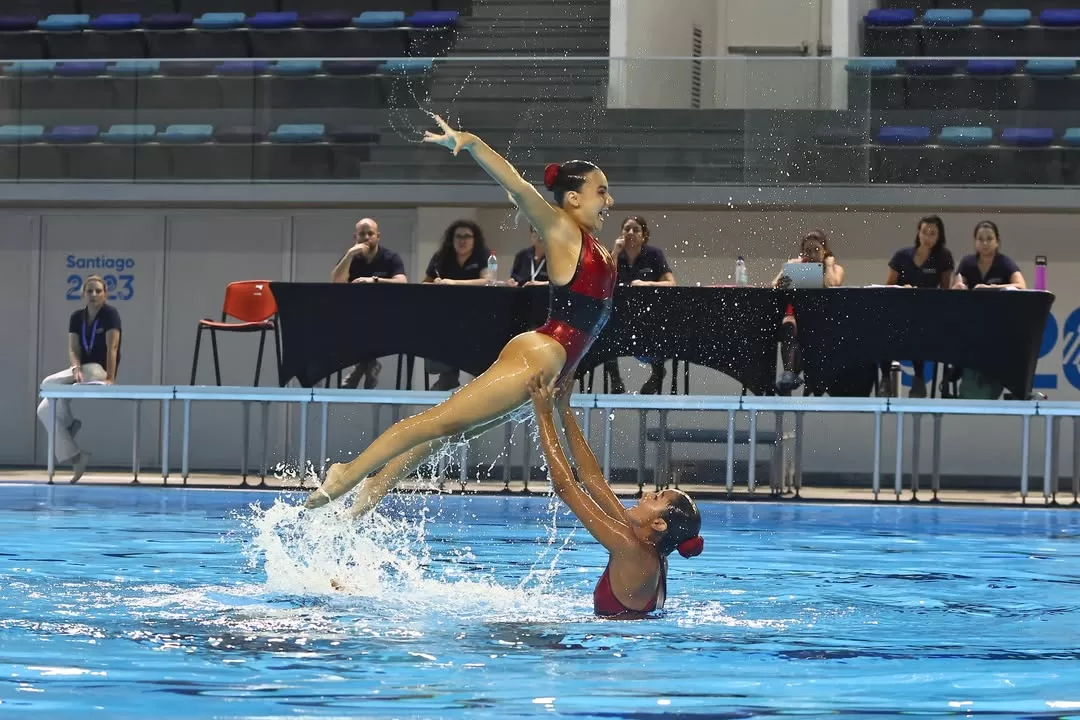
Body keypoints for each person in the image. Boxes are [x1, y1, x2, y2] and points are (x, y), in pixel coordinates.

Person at [304, 114, 618, 516]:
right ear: (573, 198)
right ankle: (347, 472)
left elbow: (587, 320)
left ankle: (375, 486)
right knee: (440, 422)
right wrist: (471, 143)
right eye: (601, 192)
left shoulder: (595, 246)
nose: (608, 201)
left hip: (551, 365)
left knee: (448, 434)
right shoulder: (562, 229)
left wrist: (571, 369)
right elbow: (517, 186)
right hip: (538, 355)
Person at [526, 373, 703, 617]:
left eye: (657, 497)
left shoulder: (631, 548)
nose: (647, 494)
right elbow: (592, 480)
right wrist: (563, 409)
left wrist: (543, 415)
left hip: (610, 648)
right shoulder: (649, 549)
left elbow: (566, 488)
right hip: (624, 644)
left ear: (659, 523)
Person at [36, 275, 122, 483]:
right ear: (83, 294)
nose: (93, 295)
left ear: (105, 294)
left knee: (50, 386)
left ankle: (68, 424)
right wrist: (75, 368)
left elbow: (113, 347)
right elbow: (74, 348)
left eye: (98, 291)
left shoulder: (110, 314)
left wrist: (110, 378)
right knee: (44, 409)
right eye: (89, 291)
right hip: (81, 371)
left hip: (99, 370)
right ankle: (76, 455)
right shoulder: (76, 317)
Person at [771, 229, 845, 395]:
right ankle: (789, 374)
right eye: (807, 250)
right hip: (794, 316)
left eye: (816, 250)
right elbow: (774, 284)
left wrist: (829, 264)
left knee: (809, 335)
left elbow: (833, 283)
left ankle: (797, 379)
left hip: (819, 319)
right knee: (789, 325)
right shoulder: (795, 266)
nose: (811, 254)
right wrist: (783, 279)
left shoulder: (834, 268)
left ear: (825, 250)